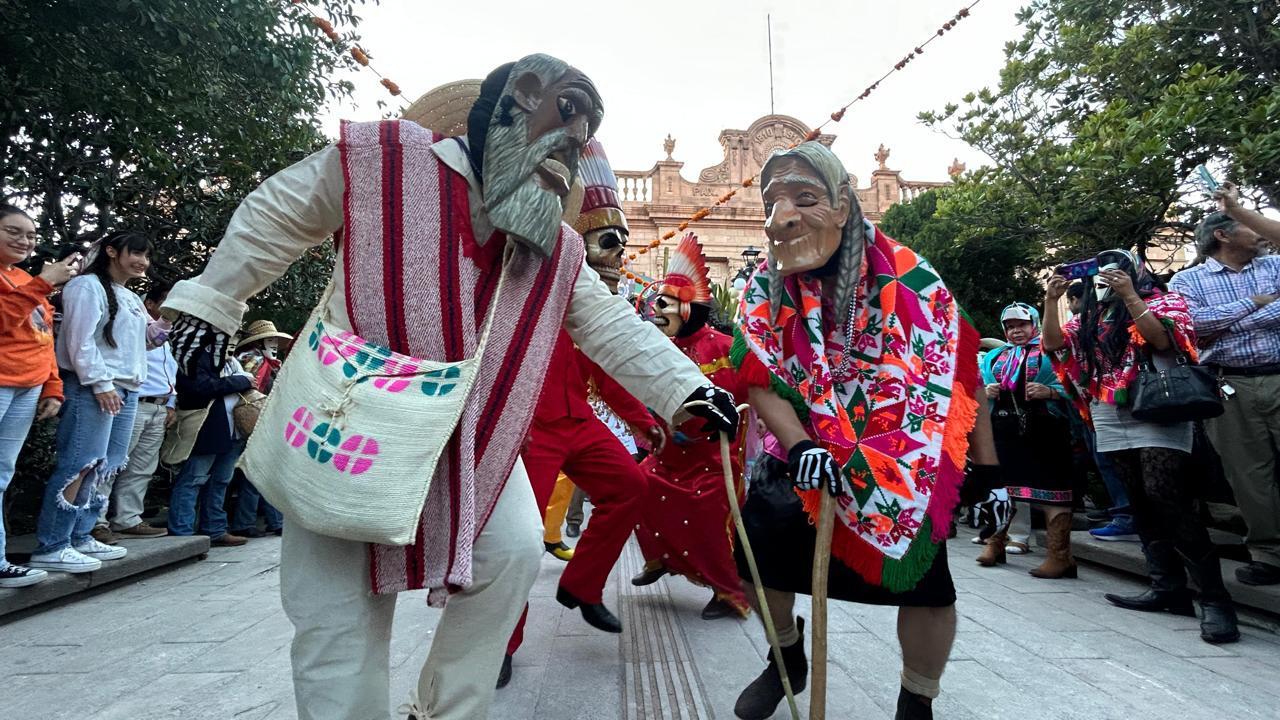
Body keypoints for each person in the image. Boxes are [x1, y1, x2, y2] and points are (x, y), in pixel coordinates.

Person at [159, 57, 738, 720]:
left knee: (516, 550)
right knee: (336, 613)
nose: (575, 146)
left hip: (472, 434)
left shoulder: (555, 244)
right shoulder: (376, 162)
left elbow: (606, 322)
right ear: (514, 104)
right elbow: (277, 215)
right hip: (353, 424)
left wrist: (687, 390)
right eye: (568, 113)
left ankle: (445, 710)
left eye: (585, 139)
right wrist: (210, 302)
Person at [731, 142, 995, 720]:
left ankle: (917, 695)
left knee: (927, 585)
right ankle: (786, 658)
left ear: (845, 207)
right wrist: (802, 446)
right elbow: (758, 378)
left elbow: (958, 371)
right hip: (800, 446)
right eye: (773, 201)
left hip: (906, 454)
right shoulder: (763, 287)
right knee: (755, 553)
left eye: (805, 198)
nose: (786, 214)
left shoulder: (912, 279)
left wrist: (992, 471)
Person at [500, 136, 667, 688]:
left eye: (621, 243)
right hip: (526, 427)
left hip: (579, 422)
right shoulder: (524, 278)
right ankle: (498, 642)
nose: (617, 253)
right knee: (517, 541)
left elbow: (610, 364)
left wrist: (645, 420)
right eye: (606, 240)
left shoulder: (596, 300)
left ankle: (582, 585)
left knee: (631, 488)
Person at [1043, 249, 1240, 644]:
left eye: (1117, 269)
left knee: (1165, 494)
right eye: (1103, 273)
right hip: (1109, 409)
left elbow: (1163, 340)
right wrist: (1050, 300)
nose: (1107, 278)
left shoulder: (1165, 300)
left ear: (1135, 271)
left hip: (1159, 405)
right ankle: (1167, 587)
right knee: (1139, 498)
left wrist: (1131, 296)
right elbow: (1052, 344)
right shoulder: (1090, 316)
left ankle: (1216, 601)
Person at [630, 233, 751, 620]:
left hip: (713, 459)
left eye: (663, 304)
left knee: (706, 508)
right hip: (669, 455)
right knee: (635, 484)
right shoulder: (661, 347)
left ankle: (730, 592)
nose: (655, 311)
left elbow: (740, 403)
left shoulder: (723, 347)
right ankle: (663, 556)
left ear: (686, 307)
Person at [1170, 197, 1280, 586]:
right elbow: (1195, 326)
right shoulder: (1187, 280)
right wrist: (1257, 302)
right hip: (1228, 383)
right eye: (1248, 224)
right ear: (1223, 234)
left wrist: (1232, 319)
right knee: (1248, 472)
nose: (1260, 231)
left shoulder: (1274, 265)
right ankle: (1268, 553)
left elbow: (1215, 324)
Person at [28, 231, 152, 573]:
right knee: (80, 462)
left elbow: (149, 340)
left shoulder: (129, 296)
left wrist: (174, 314)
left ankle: (82, 535)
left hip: (126, 388)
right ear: (112, 251)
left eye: (146, 256)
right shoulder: (86, 286)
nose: (142, 261)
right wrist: (100, 383)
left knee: (105, 465)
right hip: (94, 387)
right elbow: (78, 341)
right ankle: (53, 544)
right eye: (136, 253)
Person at [0, 204, 78, 587]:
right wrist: (44, 283)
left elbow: (43, 338)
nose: (24, 240)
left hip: (27, 386)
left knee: (1, 474)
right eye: (13, 231)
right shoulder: (34, 283)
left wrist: (53, 387)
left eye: (30, 235)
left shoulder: (24, 279)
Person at [978, 302, 1077, 575]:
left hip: (1046, 427)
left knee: (1052, 489)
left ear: (1034, 323)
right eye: (1009, 326)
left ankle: (1060, 555)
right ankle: (995, 543)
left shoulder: (1053, 351)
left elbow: (1078, 383)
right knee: (1001, 488)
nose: (1016, 331)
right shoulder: (994, 357)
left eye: (1021, 324)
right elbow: (975, 387)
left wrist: (1052, 392)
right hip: (1005, 427)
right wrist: (987, 390)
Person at [94, 282, 175, 540]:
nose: (170, 308)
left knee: (142, 467)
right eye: (164, 301)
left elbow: (169, 372)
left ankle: (127, 518)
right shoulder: (134, 328)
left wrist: (171, 403)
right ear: (148, 303)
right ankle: (96, 520)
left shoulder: (163, 336)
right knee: (113, 462)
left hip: (158, 406)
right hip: (134, 402)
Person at [168, 339, 255, 547]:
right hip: (206, 426)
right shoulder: (194, 355)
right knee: (194, 478)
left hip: (233, 428)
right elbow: (201, 386)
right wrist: (242, 381)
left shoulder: (232, 361)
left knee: (221, 480)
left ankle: (215, 529)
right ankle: (182, 533)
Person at [227, 318, 290, 537]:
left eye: (274, 340)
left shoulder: (270, 364)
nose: (273, 344)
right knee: (256, 473)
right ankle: (248, 522)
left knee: (264, 473)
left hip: (264, 423)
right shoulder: (250, 360)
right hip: (251, 423)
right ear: (259, 342)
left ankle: (274, 521)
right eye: (269, 340)